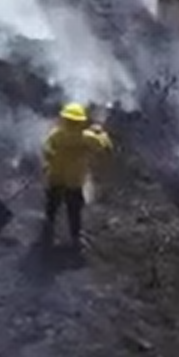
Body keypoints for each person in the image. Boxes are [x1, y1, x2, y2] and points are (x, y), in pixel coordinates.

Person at [42, 102, 113, 248]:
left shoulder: (57, 134)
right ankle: (75, 237)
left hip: (55, 176)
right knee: (74, 210)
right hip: (74, 181)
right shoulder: (87, 137)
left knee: (52, 204)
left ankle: (48, 228)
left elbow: (46, 148)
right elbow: (105, 148)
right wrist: (101, 133)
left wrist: (49, 158)